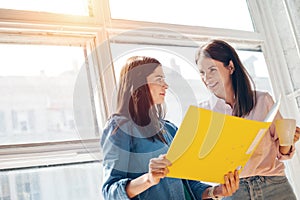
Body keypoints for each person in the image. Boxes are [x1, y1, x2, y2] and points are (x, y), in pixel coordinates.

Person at [101, 56, 239, 200]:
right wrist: (149, 179)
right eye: (159, 79)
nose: (165, 85)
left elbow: (191, 186)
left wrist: (217, 191)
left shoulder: (169, 128)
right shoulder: (119, 127)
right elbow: (110, 192)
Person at [195, 39, 300, 200]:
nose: (206, 78)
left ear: (230, 67)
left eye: (212, 70)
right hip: (234, 192)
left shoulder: (262, 100)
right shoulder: (202, 113)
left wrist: (288, 140)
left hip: (275, 186)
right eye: (202, 72)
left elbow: (282, 153)